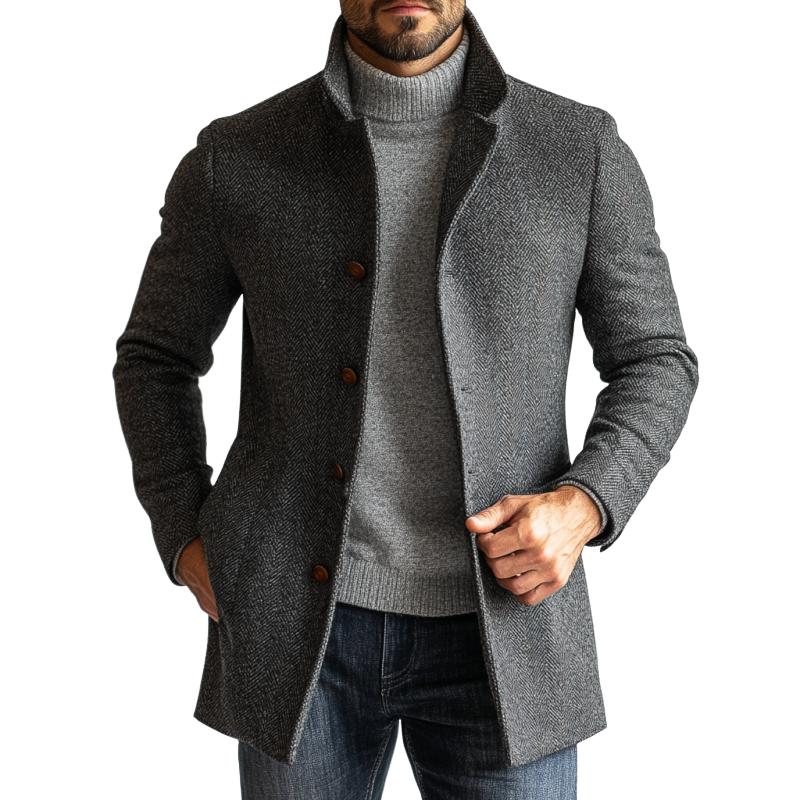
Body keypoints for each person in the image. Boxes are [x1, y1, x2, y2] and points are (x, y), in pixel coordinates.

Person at [112, 2, 699, 798]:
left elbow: (655, 359)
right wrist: (182, 528)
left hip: (509, 631)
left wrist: (585, 503)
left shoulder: (577, 148)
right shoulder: (238, 157)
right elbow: (155, 357)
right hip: (296, 631)